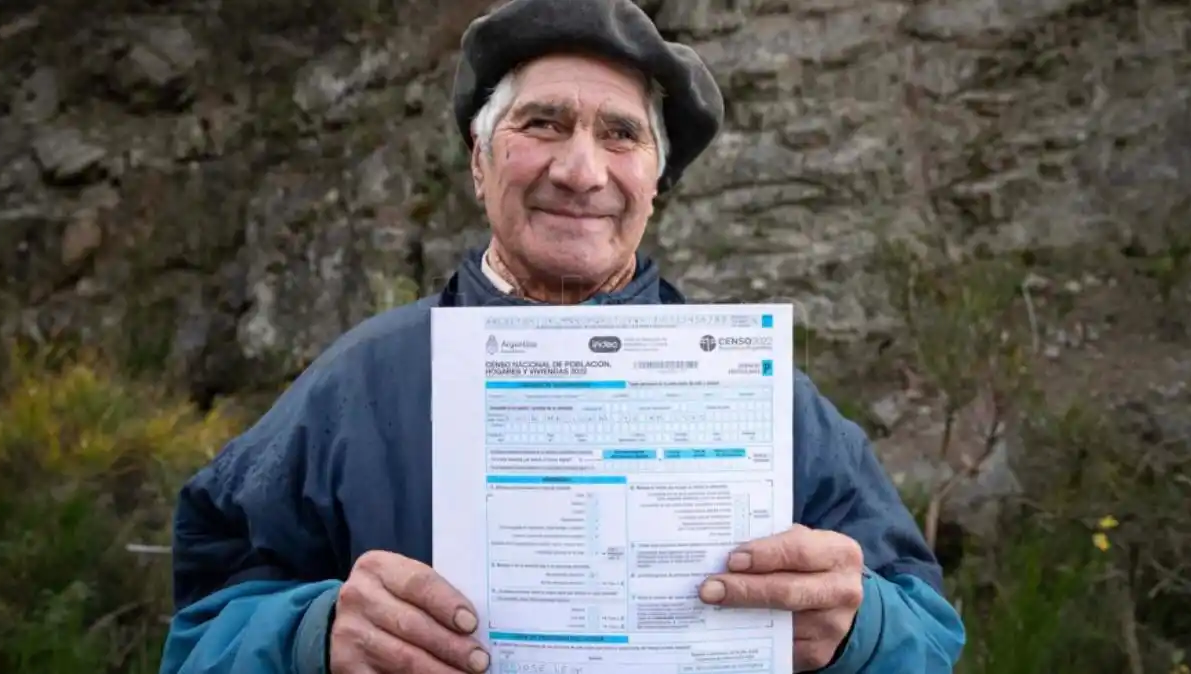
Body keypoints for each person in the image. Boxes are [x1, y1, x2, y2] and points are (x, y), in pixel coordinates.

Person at [157, 0, 966, 672]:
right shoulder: (358, 385)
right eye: (542, 124)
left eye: (620, 135)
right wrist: (312, 637)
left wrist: (860, 633)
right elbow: (198, 634)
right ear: (480, 162)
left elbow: (929, 639)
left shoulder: (762, 398)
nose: (581, 171)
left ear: (656, 183)